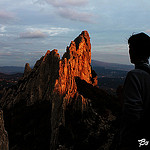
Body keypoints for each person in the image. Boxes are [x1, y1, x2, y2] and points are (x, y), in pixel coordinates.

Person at [119, 32, 150, 150]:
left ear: (134, 51)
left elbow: (132, 116)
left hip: (135, 140)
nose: (129, 52)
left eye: (130, 48)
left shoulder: (135, 75)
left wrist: (121, 99)